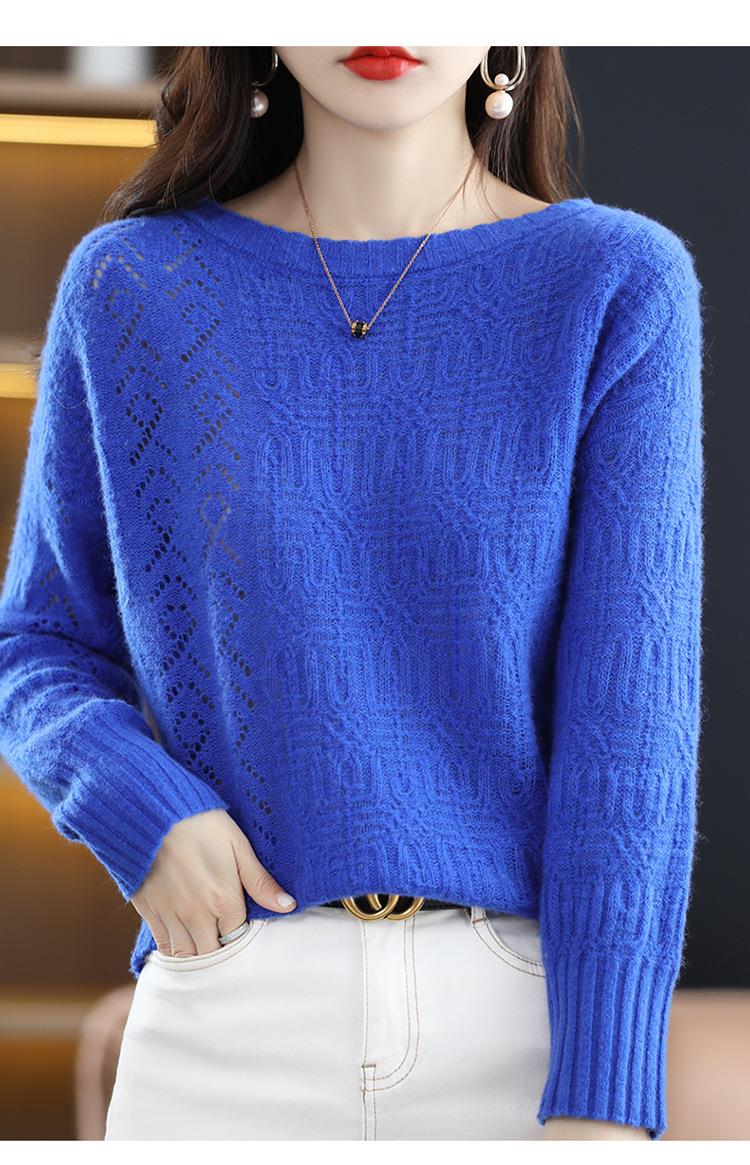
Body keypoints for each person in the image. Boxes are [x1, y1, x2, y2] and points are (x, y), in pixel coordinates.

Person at [0, 46, 704, 1141]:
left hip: (520, 1025)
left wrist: (606, 1098)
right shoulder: (130, 285)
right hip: (227, 1013)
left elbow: (633, 730)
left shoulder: (614, 281)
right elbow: (36, 645)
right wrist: (141, 806)